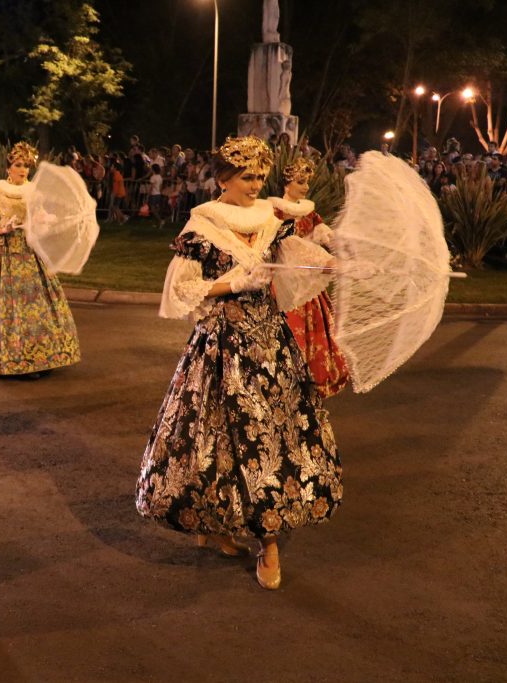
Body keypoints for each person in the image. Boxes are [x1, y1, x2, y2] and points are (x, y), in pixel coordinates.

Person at [136, 136, 341, 591]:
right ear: (224, 178)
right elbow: (182, 290)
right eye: (247, 176)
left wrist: (338, 264)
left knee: (271, 439)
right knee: (219, 440)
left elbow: (298, 264)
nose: (255, 184)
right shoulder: (203, 225)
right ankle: (219, 521)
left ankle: (267, 540)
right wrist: (233, 285)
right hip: (220, 346)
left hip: (270, 347)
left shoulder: (271, 220)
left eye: (260, 177)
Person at [0, 142, 81, 377]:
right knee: (9, 312)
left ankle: (40, 357)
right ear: (9, 167)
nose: (23, 170)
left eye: (26, 166)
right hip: (4, 258)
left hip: (30, 256)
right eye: (18, 165)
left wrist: (44, 222)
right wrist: (3, 229)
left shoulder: (33, 194)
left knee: (35, 309)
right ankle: (12, 361)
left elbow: (40, 223)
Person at [269, 157, 349, 397]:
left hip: (308, 275)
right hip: (287, 276)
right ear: (287, 183)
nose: (305, 187)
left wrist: (345, 247)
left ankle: (313, 376)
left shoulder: (307, 210)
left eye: (307, 182)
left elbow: (322, 233)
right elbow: (288, 244)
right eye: (300, 182)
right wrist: (324, 261)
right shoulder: (276, 210)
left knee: (317, 322)